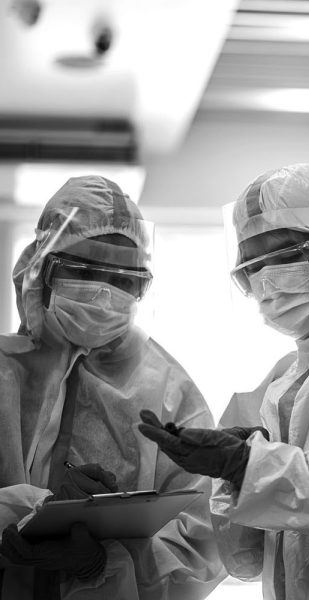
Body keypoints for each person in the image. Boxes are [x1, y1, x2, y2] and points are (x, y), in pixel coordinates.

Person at [0, 175, 224, 599]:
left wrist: (103, 561)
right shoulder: (3, 374)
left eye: (125, 281)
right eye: (84, 272)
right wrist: (23, 515)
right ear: (40, 270)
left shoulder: (169, 394)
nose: (105, 295)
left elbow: (204, 539)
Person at [139, 163, 309, 600]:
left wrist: (247, 465)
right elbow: (253, 557)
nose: (267, 281)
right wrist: (239, 470)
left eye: (286, 256)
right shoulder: (289, 377)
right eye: (254, 265)